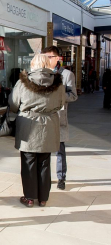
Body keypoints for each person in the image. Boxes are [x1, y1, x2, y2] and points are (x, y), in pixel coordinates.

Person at [9, 54, 65, 207]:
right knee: (45, 161)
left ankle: (29, 198)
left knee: (28, 161)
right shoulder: (58, 82)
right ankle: (43, 198)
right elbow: (61, 103)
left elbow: (13, 104)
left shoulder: (23, 81)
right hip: (49, 125)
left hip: (28, 125)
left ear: (32, 64)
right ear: (48, 64)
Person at [41, 46, 78, 190]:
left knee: (59, 150)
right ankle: (46, 177)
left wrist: (57, 96)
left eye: (50, 57)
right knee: (44, 151)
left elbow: (73, 96)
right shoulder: (41, 73)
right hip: (43, 118)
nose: (47, 60)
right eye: (45, 57)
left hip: (58, 117)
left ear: (57, 58)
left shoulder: (67, 75)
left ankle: (61, 177)